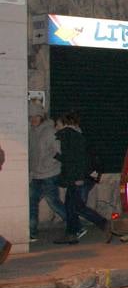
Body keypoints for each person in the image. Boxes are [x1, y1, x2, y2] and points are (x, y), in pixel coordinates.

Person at [54, 112, 110, 244]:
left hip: (80, 178)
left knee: (77, 206)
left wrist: (78, 178)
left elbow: (76, 160)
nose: (55, 127)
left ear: (64, 124)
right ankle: (71, 234)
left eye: (57, 124)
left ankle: (104, 224)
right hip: (82, 176)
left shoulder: (68, 135)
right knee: (70, 205)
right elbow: (72, 158)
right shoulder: (78, 135)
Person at [28, 100, 63, 242]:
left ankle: (75, 225)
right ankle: (32, 231)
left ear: (42, 116)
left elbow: (58, 152)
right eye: (31, 117)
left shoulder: (50, 131)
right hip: (36, 174)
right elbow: (32, 152)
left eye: (37, 116)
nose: (34, 119)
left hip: (49, 173)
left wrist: (47, 163)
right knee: (31, 202)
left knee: (54, 202)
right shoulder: (32, 132)